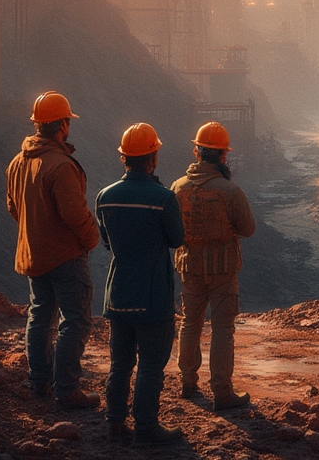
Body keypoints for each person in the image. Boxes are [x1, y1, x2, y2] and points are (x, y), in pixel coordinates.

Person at [5, 91, 101, 409]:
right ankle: (67, 390)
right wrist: (90, 239)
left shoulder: (18, 162)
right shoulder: (60, 166)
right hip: (65, 256)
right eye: (67, 121)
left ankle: (39, 382)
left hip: (34, 254)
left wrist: (36, 228)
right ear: (62, 124)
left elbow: (13, 206)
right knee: (74, 321)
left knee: (40, 316)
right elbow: (74, 214)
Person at [96, 123, 187, 446]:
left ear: (124, 157)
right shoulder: (163, 198)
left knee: (120, 363)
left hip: (118, 292)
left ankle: (114, 423)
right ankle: (146, 428)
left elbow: (107, 242)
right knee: (150, 363)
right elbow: (177, 238)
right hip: (153, 296)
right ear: (153, 157)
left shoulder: (104, 197)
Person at [172, 121, 256, 410]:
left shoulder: (177, 187)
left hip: (189, 267)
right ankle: (222, 392)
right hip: (222, 269)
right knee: (222, 329)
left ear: (196, 151)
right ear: (223, 156)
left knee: (189, 323)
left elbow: (171, 231)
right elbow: (247, 228)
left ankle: (187, 383)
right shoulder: (230, 190)